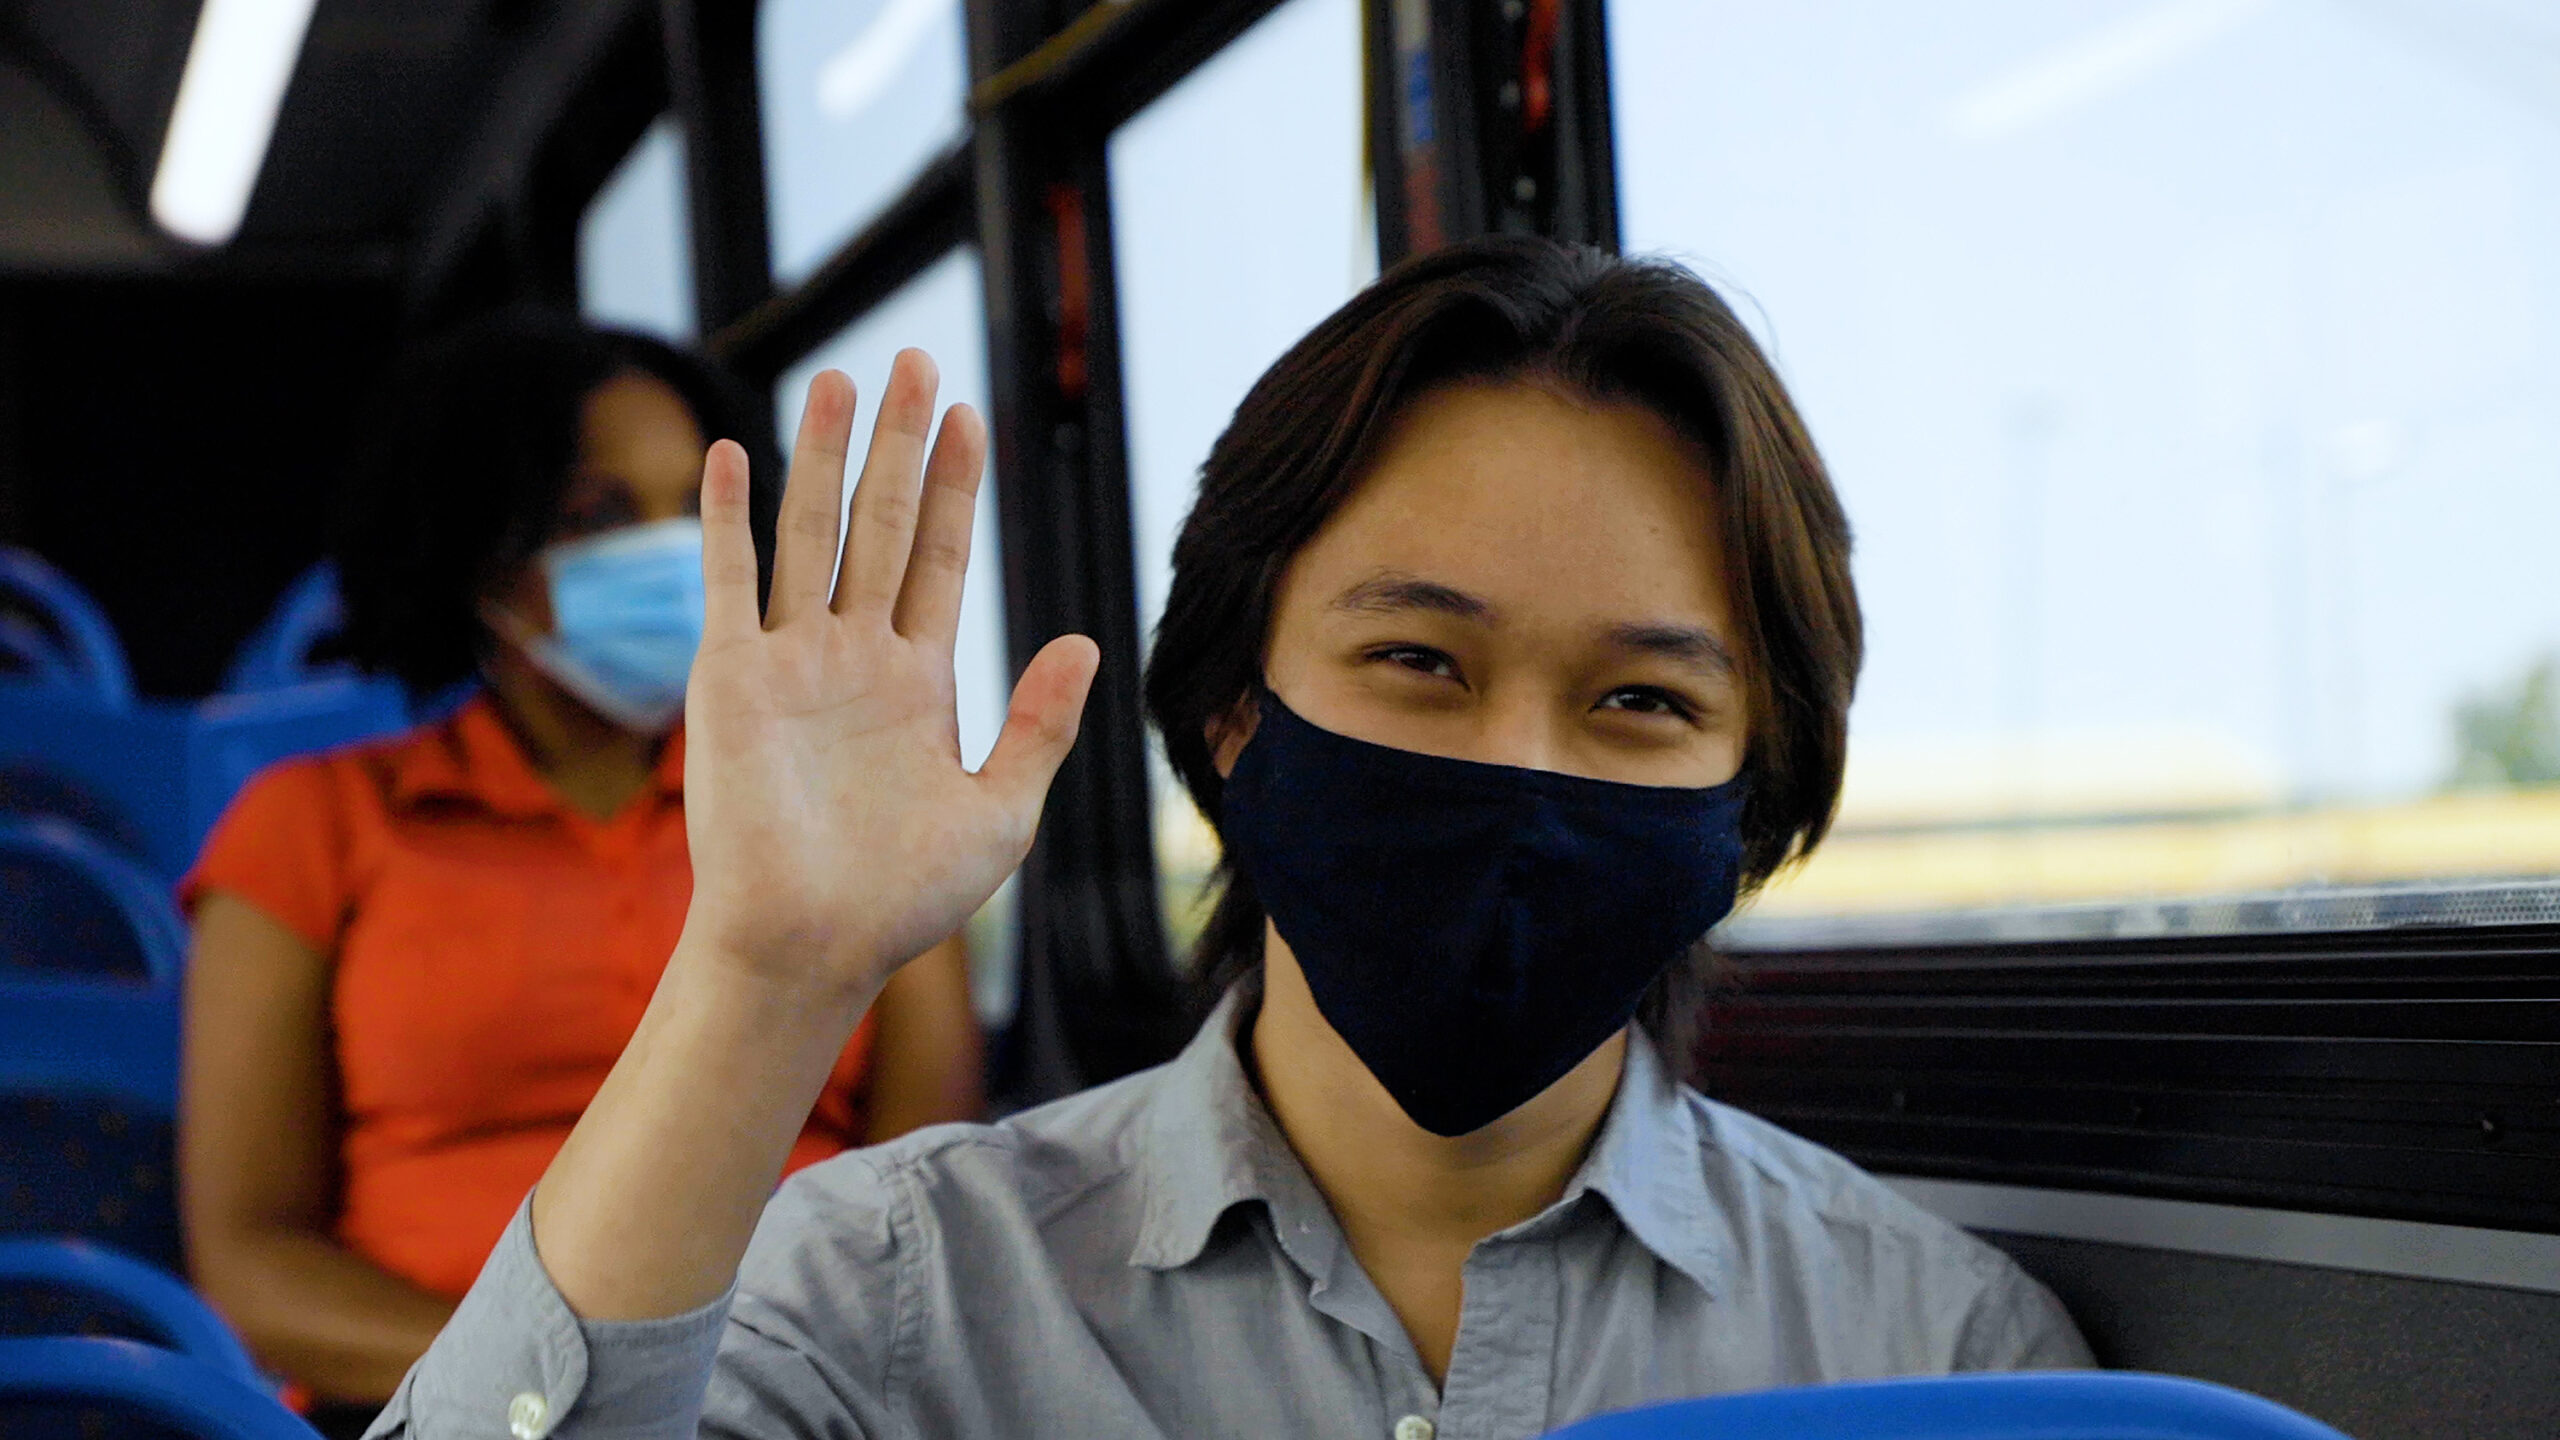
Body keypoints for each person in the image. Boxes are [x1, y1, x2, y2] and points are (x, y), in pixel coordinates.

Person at [373, 240, 2090, 1440]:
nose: (1514, 766)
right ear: (1232, 712)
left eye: (1640, 704)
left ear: (1753, 795)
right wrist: (761, 973)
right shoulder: (896, 1299)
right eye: (1419, 663)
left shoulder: (1940, 1349)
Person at [177, 312, 984, 1435]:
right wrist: (567, 1378)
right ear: (474, 549)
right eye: (599, 515)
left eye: (695, 508)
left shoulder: (837, 808)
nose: (678, 551)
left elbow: (923, 1190)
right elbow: (254, 1264)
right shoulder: (309, 823)